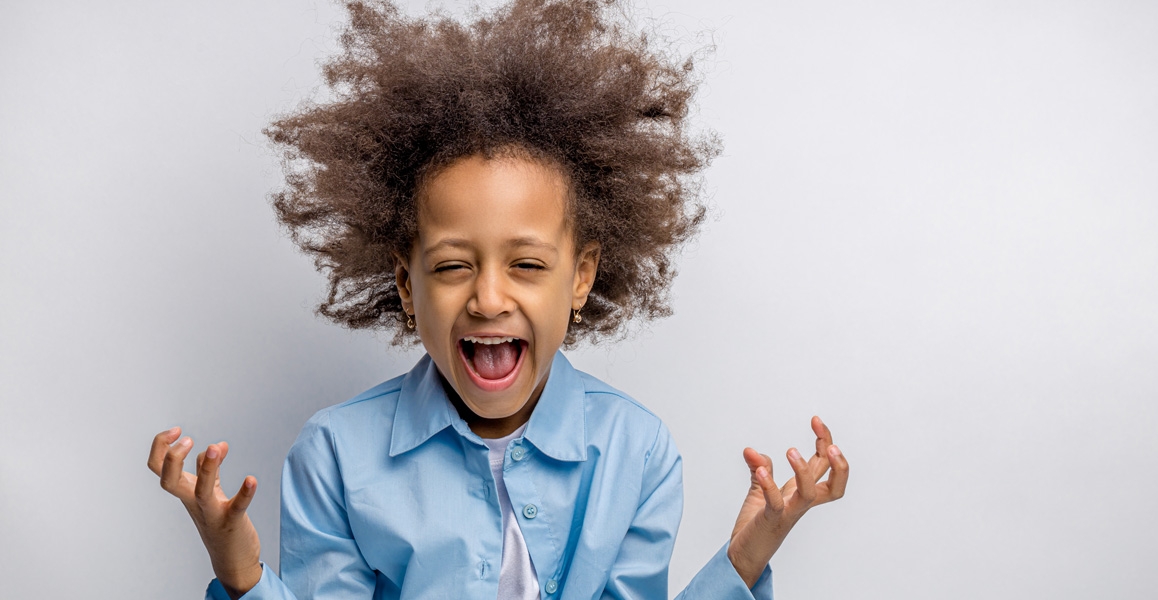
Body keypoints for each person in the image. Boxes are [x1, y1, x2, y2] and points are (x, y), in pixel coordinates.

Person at [146, 0, 849, 598]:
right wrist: (241, 574)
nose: (488, 297)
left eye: (527, 264)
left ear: (580, 277)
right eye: (453, 265)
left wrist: (745, 560)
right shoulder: (334, 454)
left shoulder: (636, 452)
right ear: (404, 284)